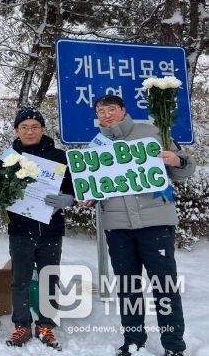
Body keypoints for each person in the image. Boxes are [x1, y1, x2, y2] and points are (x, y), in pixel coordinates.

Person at [91, 95, 195, 356]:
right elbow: (92, 186)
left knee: (165, 285)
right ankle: (133, 340)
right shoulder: (95, 148)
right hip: (117, 226)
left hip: (155, 222)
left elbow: (185, 169)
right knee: (128, 287)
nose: (107, 115)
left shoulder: (153, 133)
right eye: (101, 111)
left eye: (112, 109)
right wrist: (88, 195)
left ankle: (173, 345)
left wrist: (177, 161)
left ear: (123, 110)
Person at [0, 106, 74, 351]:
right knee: (19, 280)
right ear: (16, 130)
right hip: (20, 229)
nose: (29, 131)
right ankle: (22, 325)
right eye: (24, 127)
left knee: (49, 279)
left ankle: (45, 326)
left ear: (42, 129)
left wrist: (68, 199)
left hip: (51, 229)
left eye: (34, 127)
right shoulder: (7, 158)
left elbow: (74, 188)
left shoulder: (59, 157)